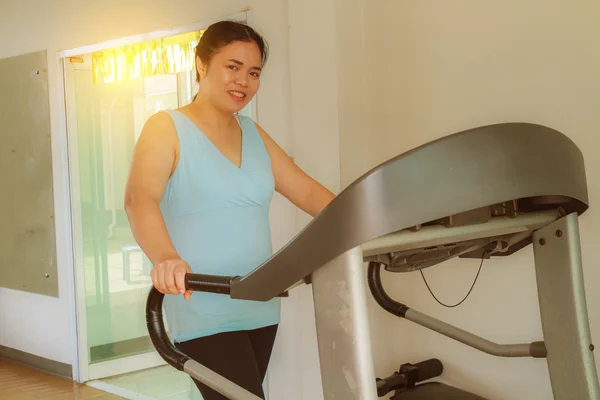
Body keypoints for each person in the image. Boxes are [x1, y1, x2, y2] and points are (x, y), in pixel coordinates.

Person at [124, 20, 335, 399]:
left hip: (259, 302)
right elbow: (139, 199)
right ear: (202, 64)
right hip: (203, 303)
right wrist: (167, 258)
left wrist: (372, 221)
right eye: (232, 67)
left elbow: (307, 192)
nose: (244, 81)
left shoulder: (254, 134)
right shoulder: (166, 127)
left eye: (253, 73)